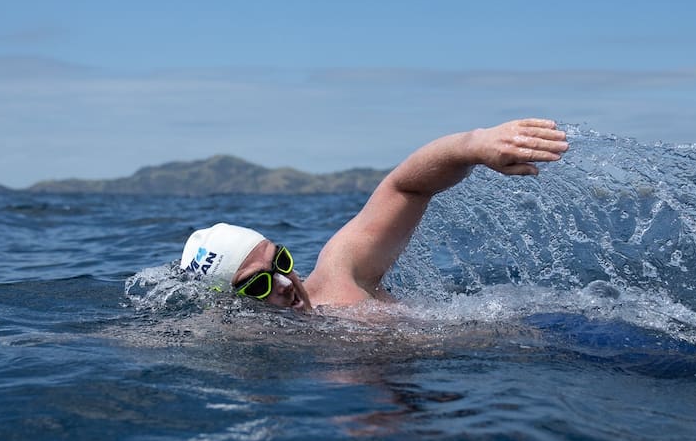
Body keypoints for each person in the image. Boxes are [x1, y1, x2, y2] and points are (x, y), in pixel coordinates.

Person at [180, 118, 569, 310]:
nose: (283, 281)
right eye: (257, 285)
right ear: (228, 303)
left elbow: (406, 186)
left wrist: (473, 144)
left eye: (280, 260)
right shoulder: (248, 345)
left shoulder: (341, 274)